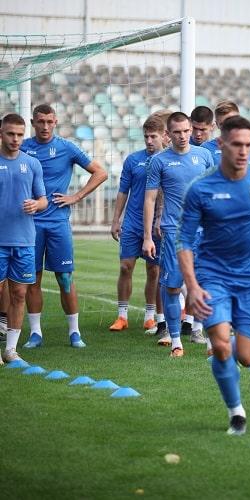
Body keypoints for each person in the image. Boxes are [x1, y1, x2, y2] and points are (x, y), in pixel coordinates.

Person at [177, 115, 250, 435]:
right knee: (221, 345)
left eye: (248, 145)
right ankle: (236, 411)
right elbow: (184, 241)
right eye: (237, 145)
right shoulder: (200, 188)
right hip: (213, 276)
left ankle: (236, 346)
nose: (243, 151)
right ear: (221, 144)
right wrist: (192, 285)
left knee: (248, 357)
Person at [21, 104, 107, 349]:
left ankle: (75, 332)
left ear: (56, 122)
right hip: (30, 223)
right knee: (32, 278)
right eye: (40, 121)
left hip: (58, 222)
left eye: (49, 121)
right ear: (33, 123)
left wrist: (76, 196)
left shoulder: (66, 147)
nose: (45, 126)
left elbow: (100, 173)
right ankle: (35, 333)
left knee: (65, 277)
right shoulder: (23, 147)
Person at [142, 112, 214, 357]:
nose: (183, 136)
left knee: (208, 285)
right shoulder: (159, 161)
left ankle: (210, 342)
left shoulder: (204, 156)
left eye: (186, 131)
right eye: (177, 132)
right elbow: (150, 199)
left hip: (202, 232)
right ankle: (176, 342)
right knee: (172, 288)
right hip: (174, 233)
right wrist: (148, 236)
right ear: (168, 134)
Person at [108, 115, 166, 334]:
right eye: (146, 137)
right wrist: (116, 220)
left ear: (164, 136)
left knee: (154, 270)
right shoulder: (133, 160)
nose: (149, 141)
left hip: (157, 224)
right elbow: (123, 191)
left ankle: (150, 317)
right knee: (125, 266)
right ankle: (122, 316)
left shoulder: (168, 160)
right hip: (133, 223)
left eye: (153, 136)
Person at [0, 113, 48, 363]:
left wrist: (37, 205)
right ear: (1, 134)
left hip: (25, 240)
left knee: (19, 294)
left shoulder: (32, 164)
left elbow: (43, 199)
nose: (15, 139)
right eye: (11, 134)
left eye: (20, 135)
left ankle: (10, 350)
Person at [199, 101, 250, 165]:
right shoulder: (205, 148)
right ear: (217, 124)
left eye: (232, 122)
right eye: (223, 124)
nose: (228, 127)